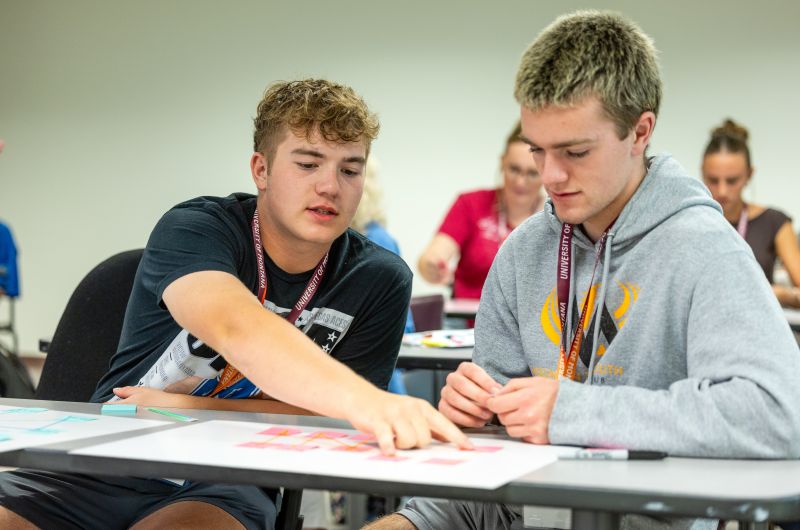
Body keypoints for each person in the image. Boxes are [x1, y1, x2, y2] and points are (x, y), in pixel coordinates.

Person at [368, 11, 800, 530]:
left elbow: (778, 415)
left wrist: (574, 412)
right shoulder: (524, 252)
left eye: (574, 151)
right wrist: (474, 413)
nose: (549, 177)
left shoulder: (705, 251)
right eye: (537, 150)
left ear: (640, 131)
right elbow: (491, 477)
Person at [0, 79, 468, 530]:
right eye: (308, 164)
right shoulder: (198, 228)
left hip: (233, 473)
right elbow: (233, 325)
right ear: (260, 170)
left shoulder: (378, 278)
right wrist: (370, 402)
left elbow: (331, 419)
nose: (330, 186)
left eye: (349, 169)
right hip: (111, 452)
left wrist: (185, 405)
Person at [417, 122, 543, 300]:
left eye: (532, 173)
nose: (521, 182)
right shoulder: (471, 204)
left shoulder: (555, 217)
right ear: (502, 163)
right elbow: (433, 255)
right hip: (468, 319)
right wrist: (433, 265)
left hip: (527, 323)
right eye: (514, 169)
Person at [702, 118, 800, 308]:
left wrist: (782, 295)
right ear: (702, 172)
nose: (722, 191)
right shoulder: (690, 222)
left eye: (732, 181)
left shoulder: (774, 222)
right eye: (713, 180)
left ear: (749, 175)